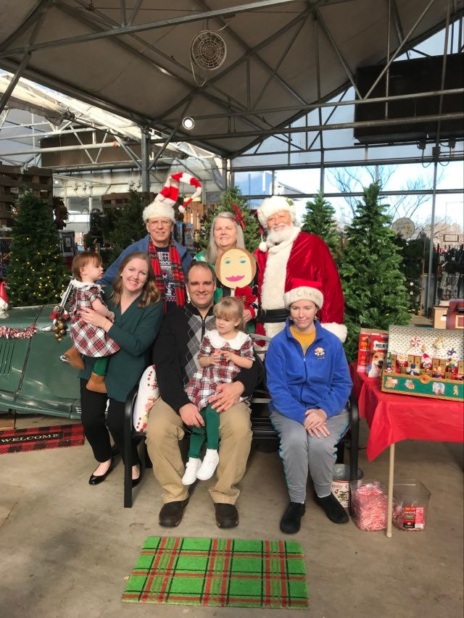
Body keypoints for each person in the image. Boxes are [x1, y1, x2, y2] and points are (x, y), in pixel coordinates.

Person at [145, 261, 261, 529]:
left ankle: (224, 496)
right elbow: (164, 364)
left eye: (206, 283)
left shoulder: (230, 316)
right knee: (159, 427)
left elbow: (253, 364)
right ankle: (175, 494)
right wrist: (182, 403)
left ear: (215, 286)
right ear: (186, 288)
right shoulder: (173, 319)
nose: (201, 288)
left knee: (239, 427)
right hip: (184, 391)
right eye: (195, 283)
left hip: (223, 391)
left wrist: (239, 387)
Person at [265, 279, 353, 534]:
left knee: (321, 443)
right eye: (295, 308)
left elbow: (342, 383)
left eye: (307, 307)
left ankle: (324, 494)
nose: (301, 314)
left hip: (328, 409)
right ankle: (297, 501)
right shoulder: (279, 344)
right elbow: (277, 388)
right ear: (289, 311)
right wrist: (302, 415)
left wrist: (323, 411)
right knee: (294, 441)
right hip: (290, 410)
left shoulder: (332, 343)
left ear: (317, 310)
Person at [79, 252, 163, 486]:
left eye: (142, 272)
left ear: (147, 278)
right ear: (122, 270)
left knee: (117, 422)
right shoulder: (102, 294)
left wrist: (105, 323)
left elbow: (137, 346)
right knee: (90, 420)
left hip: (127, 369)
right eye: (132, 269)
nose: (135, 276)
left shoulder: (153, 306)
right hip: (95, 365)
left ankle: (131, 460)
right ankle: (104, 458)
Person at [101, 172, 202, 313]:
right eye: (154, 222)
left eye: (165, 222)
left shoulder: (183, 254)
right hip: (144, 318)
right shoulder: (135, 251)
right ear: (148, 227)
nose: (159, 227)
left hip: (178, 317)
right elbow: (106, 281)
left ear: (171, 226)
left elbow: (196, 284)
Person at [182, 296, 254, 485]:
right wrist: (210, 360)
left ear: (237, 321)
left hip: (227, 383)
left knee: (212, 409)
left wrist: (232, 356)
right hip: (208, 380)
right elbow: (201, 359)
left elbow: (249, 363)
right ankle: (193, 460)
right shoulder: (211, 337)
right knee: (199, 415)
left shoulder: (243, 340)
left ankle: (212, 451)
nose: (221, 322)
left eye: (226, 319)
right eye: (219, 318)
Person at [255, 195, 346, 340]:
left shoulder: (311, 244)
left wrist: (330, 326)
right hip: (266, 330)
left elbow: (331, 287)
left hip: (303, 328)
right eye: (271, 219)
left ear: (291, 217)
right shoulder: (261, 254)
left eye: (281, 216)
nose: (277, 222)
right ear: (266, 224)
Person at [65, 251, 120, 393]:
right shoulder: (92, 289)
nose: (102, 268)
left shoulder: (78, 287)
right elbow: (99, 308)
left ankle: (74, 351)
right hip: (91, 325)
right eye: (97, 266)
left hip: (80, 324)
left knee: (86, 341)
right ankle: (96, 380)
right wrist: (110, 313)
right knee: (108, 350)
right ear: (83, 271)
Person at [195, 211, 257, 324]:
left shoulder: (249, 262)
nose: (223, 232)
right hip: (209, 324)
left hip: (242, 327)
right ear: (213, 234)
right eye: (218, 229)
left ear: (237, 233)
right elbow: (191, 294)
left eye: (228, 228)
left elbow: (258, 292)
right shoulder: (200, 260)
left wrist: (252, 311)